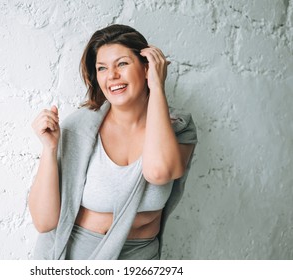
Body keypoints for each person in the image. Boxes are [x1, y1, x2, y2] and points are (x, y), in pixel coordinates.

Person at [29, 24, 197, 260]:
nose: (112, 76)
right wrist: (50, 148)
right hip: (79, 255)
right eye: (102, 68)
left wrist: (157, 86)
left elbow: (159, 172)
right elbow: (44, 221)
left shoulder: (179, 129)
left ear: (146, 67)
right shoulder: (80, 128)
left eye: (122, 64)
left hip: (140, 257)